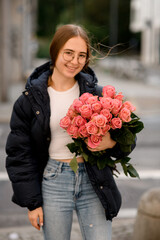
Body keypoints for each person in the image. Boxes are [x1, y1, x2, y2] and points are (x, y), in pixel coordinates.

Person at [6, 24, 135, 240]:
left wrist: (112, 143)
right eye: (69, 53)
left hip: (94, 180)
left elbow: (129, 139)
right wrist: (33, 203)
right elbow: (19, 154)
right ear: (55, 50)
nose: (74, 61)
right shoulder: (29, 100)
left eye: (81, 55)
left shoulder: (99, 96)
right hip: (54, 181)